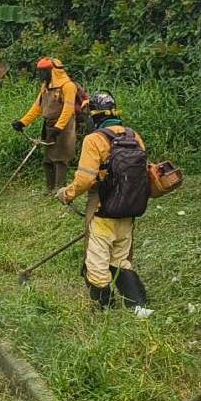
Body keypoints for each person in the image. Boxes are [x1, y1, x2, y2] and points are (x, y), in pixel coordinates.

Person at [56, 91, 152, 317]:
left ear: (94, 116)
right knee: (120, 259)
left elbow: (85, 180)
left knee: (96, 263)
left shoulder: (94, 140)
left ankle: (104, 310)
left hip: (102, 210)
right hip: (129, 210)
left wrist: (66, 194)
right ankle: (139, 306)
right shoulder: (134, 136)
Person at [12, 57, 78, 193]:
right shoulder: (46, 87)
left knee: (60, 158)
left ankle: (59, 189)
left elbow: (68, 109)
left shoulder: (68, 86)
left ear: (53, 71)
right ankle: (49, 189)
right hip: (49, 125)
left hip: (64, 127)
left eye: (44, 71)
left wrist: (58, 127)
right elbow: (37, 107)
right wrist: (23, 122)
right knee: (48, 159)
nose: (41, 75)